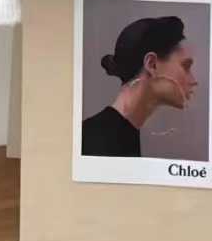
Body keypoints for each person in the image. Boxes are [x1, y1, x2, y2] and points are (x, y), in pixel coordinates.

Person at [81, 16, 198, 157]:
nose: (194, 81)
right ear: (152, 64)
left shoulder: (121, 134)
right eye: (186, 66)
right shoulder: (91, 140)